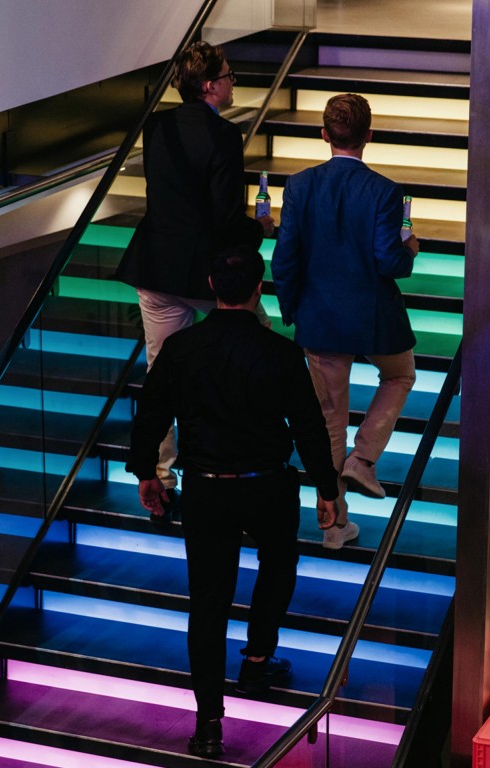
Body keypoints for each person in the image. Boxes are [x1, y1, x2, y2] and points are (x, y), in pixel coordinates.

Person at [126, 246, 338, 758]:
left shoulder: (181, 349)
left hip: (205, 487)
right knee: (279, 564)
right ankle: (259, 659)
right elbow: (309, 427)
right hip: (268, 484)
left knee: (208, 602)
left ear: (211, 286)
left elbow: (150, 414)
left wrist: (147, 474)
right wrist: (327, 488)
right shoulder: (281, 352)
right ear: (259, 289)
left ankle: (209, 725)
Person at [116, 41, 274, 514]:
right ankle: (241, 456)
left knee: (160, 372)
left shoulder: (156, 124)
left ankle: (158, 476)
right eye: (228, 76)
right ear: (209, 85)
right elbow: (226, 220)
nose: (232, 83)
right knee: (258, 343)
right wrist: (259, 230)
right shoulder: (224, 137)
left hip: (155, 265)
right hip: (205, 273)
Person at [271, 93, 420, 550]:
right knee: (400, 374)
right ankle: (365, 458)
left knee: (328, 418)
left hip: (319, 316)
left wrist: (292, 311)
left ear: (323, 134)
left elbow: (285, 259)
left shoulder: (298, 186)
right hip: (374, 317)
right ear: (369, 136)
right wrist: (411, 247)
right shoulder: (384, 191)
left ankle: (332, 525)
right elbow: (388, 260)